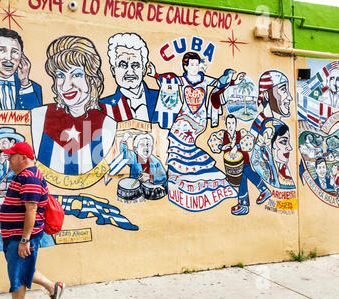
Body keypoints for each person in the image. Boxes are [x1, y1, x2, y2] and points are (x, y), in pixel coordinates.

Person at [150, 52, 239, 211]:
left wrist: (231, 81)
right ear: (185, 66)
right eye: (191, 65)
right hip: (184, 116)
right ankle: (185, 177)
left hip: (198, 120)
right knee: (178, 141)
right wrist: (154, 74)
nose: (194, 68)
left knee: (179, 138)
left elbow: (219, 84)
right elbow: (169, 80)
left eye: (196, 64)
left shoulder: (204, 79)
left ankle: (183, 175)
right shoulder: (183, 80)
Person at [30, 35, 116, 178]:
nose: (66, 85)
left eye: (76, 75)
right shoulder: (39, 116)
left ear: (92, 79)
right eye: (60, 75)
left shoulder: (108, 124)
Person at [0, 141, 64, 299]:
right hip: (15, 236)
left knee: (18, 278)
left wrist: (24, 240)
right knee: (23, 270)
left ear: (23, 158)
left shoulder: (30, 179)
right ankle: (52, 288)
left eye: (11, 157)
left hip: (20, 237)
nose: (8, 160)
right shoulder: (22, 176)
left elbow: (31, 210)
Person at [209, 115, 271, 215]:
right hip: (231, 165)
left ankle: (244, 204)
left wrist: (237, 146)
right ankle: (262, 191)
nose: (230, 126)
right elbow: (212, 141)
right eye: (228, 123)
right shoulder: (222, 134)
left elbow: (250, 140)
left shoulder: (240, 133)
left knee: (244, 174)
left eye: (233, 123)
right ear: (226, 124)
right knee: (242, 177)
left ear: (236, 124)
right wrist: (222, 146)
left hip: (244, 161)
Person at [100, 33, 158, 123]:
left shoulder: (161, 99)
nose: (130, 72)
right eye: (123, 65)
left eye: (135, 65)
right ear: (113, 70)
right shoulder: (102, 107)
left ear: (143, 70)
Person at [0, 28, 43, 110]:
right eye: (1, 50)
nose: (8, 58)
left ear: (21, 56)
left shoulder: (33, 88)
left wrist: (25, 83)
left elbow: (37, 118)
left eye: (14, 52)